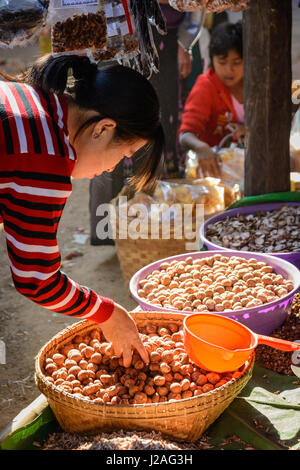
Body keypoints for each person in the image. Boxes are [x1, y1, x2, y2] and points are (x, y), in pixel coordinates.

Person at [0, 54, 165, 367]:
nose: (114, 167)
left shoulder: (36, 100)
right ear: (103, 129)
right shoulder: (45, 155)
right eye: (125, 154)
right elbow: (36, 280)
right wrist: (107, 312)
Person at [179, 21, 245, 177]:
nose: (229, 70)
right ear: (212, 60)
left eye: (237, 63)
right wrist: (201, 147)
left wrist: (248, 130)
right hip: (213, 174)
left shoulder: (256, 84)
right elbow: (185, 135)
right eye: (222, 63)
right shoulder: (206, 86)